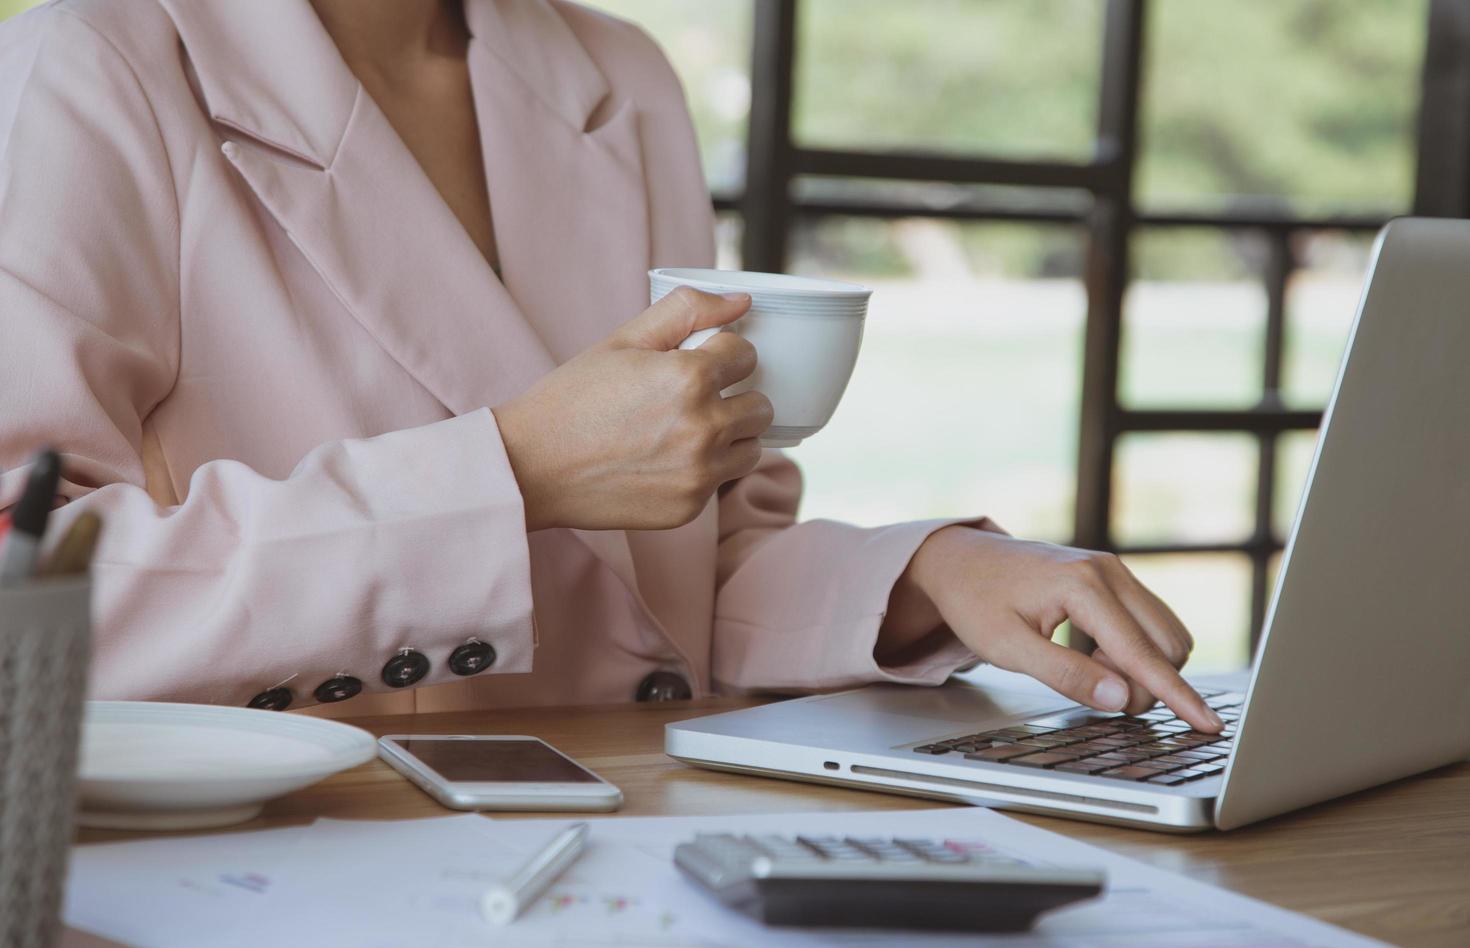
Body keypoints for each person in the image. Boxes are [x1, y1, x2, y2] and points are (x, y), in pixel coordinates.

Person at [0, 0, 1220, 732]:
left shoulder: (616, 78)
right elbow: (25, 605)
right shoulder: (92, 65)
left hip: (629, 851)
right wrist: (509, 474)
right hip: (286, 870)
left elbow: (670, 568)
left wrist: (925, 572)